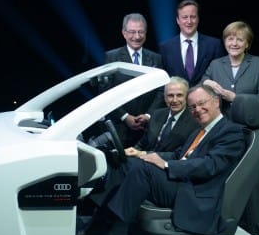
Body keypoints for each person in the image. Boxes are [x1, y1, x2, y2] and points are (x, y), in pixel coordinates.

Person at [82, 84, 246, 235]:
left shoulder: (231, 132)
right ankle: (99, 218)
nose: (197, 110)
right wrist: (144, 154)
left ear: (216, 101)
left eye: (201, 103)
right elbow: (177, 154)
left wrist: (167, 165)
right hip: (180, 181)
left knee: (142, 170)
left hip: (194, 191)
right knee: (130, 163)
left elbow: (210, 165)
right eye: (193, 107)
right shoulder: (200, 130)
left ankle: (108, 227)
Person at [83, 76, 198, 217]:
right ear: (164, 97)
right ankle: (98, 212)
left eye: (179, 95)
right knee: (115, 162)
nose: (174, 100)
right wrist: (132, 151)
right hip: (144, 164)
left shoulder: (194, 121)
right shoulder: (157, 114)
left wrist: (141, 154)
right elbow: (142, 142)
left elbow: (179, 155)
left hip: (166, 171)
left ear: (186, 97)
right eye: (170, 96)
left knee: (127, 168)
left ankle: (102, 217)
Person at [201, 20, 259, 235]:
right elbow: (201, 88)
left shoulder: (258, 64)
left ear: (247, 43)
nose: (234, 42)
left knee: (252, 185)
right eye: (230, 38)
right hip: (222, 133)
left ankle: (257, 234)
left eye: (239, 39)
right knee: (222, 180)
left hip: (249, 134)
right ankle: (223, 231)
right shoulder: (216, 65)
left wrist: (235, 98)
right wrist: (207, 84)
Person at [102, 13, 164, 147]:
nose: (136, 36)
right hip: (120, 127)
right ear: (124, 33)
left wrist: (148, 115)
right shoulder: (112, 57)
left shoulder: (156, 58)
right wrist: (125, 117)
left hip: (148, 128)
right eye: (132, 32)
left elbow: (161, 90)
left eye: (141, 32)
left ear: (146, 33)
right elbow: (106, 92)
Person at [159, 0, 225, 87]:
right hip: (176, 99)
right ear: (178, 20)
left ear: (198, 19)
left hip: (205, 99)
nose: (189, 21)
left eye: (193, 17)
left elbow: (220, 76)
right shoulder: (165, 48)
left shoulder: (214, 45)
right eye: (185, 17)